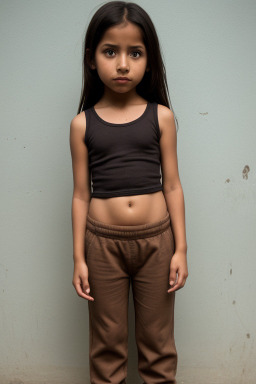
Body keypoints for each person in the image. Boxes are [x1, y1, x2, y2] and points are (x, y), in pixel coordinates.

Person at [69, 2, 188, 383]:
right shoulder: (81, 124)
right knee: (107, 345)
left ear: (148, 60)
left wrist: (181, 249)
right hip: (101, 246)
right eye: (110, 52)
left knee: (157, 344)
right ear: (92, 59)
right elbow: (80, 195)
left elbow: (172, 184)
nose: (123, 64)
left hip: (158, 243)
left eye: (134, 53)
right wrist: (79, 259)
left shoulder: (162, 117)